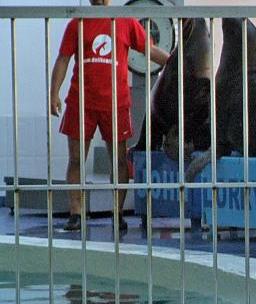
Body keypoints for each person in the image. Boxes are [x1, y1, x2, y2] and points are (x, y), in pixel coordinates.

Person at [50, 0, 169, 232]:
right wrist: (54, 93)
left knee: (120, 161)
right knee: (76, 160)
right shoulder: (77, 23)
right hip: (81, 102)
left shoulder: (126, 22)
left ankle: (117, 212)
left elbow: (151, 50)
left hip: (116, 104)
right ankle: (76, 213)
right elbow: (63, 58)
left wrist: (178, 63)